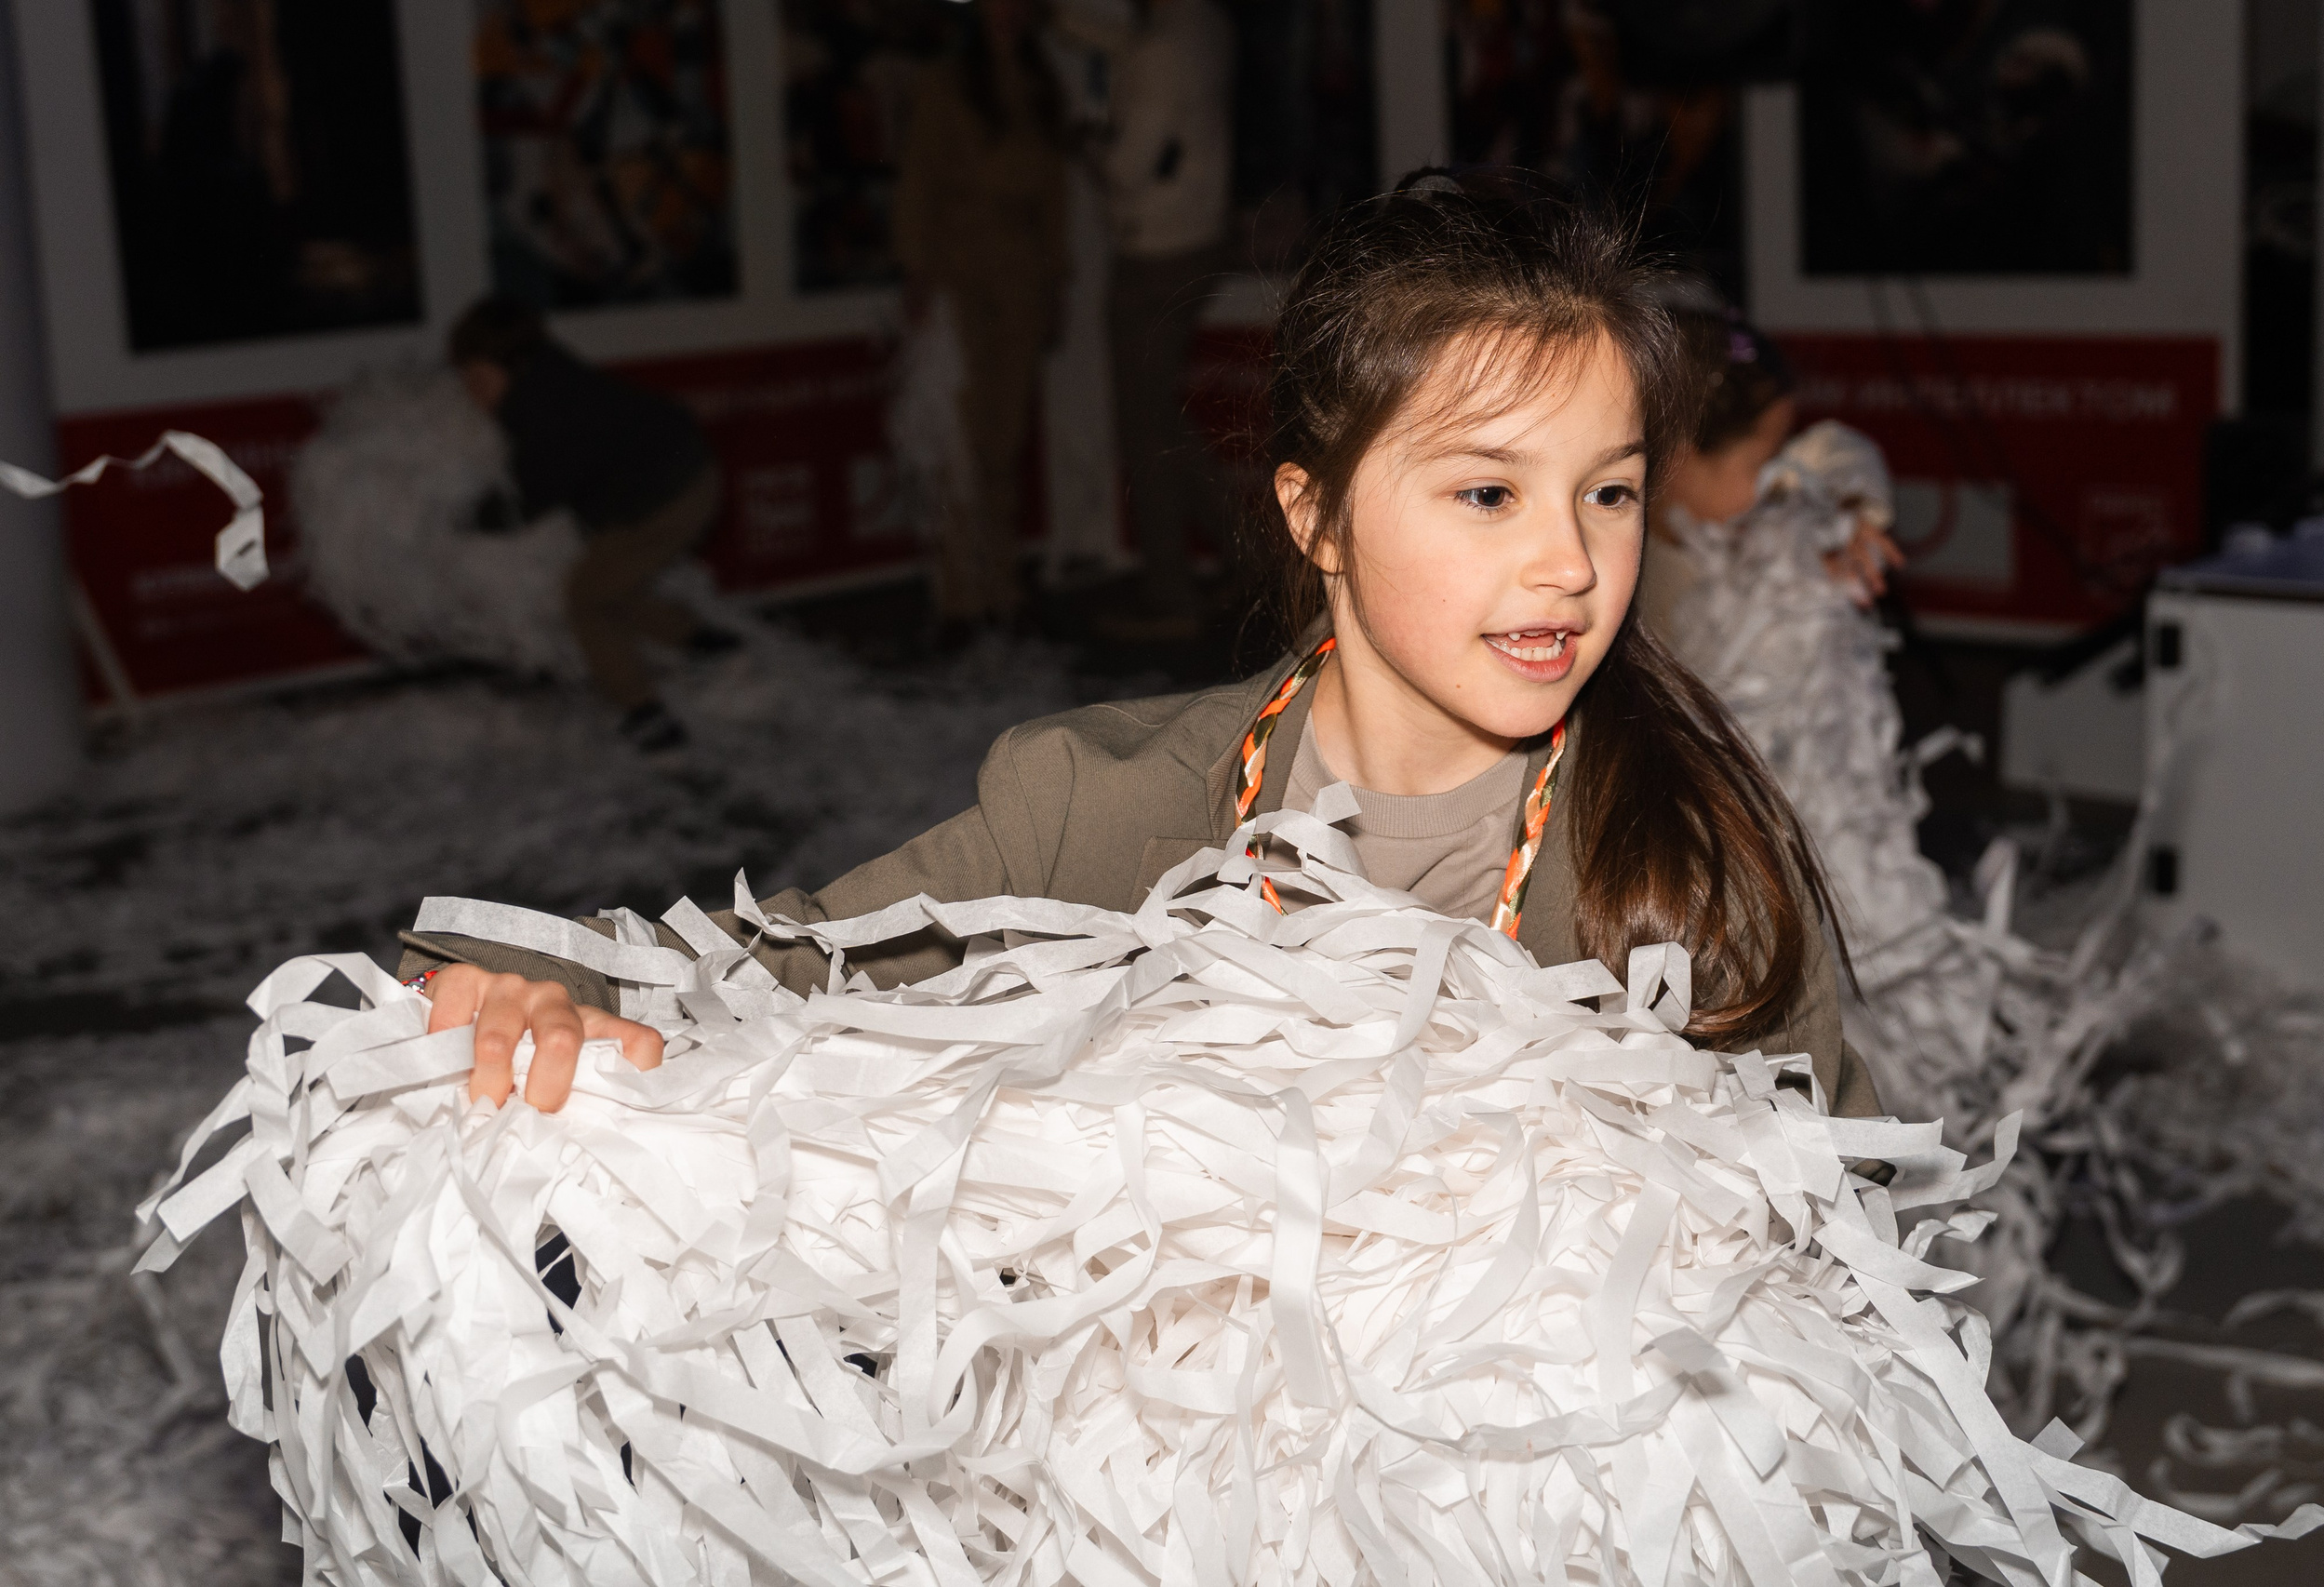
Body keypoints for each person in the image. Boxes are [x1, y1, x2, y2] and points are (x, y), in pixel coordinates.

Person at [403, 170, 1880, 1125]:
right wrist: (503, 970)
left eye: (1609, 491)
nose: (1570, 559)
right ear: (1318, 514)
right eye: (1488, 492)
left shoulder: (1684, 861)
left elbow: (1842, 1253)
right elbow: (764, 965)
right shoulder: (1096, 810)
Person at [447, 297, 730, 753]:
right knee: (611, 583)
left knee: (587, 600)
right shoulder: (547, 371)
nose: (472, 394)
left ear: (512, 366)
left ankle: (647, 718)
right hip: (685, 471)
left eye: (479, 381)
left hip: (669, 496)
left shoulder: (545, 415)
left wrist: (462, 521)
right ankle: (708, 645)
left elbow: (522, 502)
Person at [890, 0, 1071, 637]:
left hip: (1020, 278)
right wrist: (916, 271)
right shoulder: (945, 82)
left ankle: (1003, 587)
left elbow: (1054, 196)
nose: (1007, 12)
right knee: (957, 443)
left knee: (1004, 439)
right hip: (958, 274)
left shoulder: (1042, 84)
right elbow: (918, 179)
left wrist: (1056, 281)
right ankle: (959, 599)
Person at [1058, 0, 1236, 639]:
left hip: (1156, 253)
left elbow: (1127, 167)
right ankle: (1252, 565)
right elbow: (1134, 47)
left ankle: (1172, 593)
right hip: (1195, 239)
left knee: (1146, 430)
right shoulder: (1204, 24)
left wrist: (1086, 144)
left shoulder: (1162, 47)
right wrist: (1064, 23)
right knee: (1161, 416)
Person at [1637, 300, 1902, 646]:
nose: (1780, 476)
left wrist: (1852, 508)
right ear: (1675, 457)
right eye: (1767, 459)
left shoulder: (1762, 539)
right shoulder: (1622, 578)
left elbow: (1836, 447)